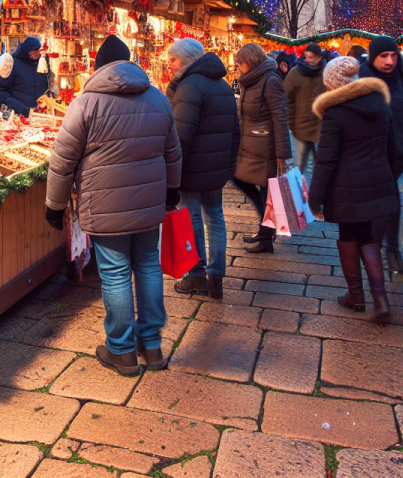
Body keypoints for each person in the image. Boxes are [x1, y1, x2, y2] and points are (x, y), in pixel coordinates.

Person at [45, 35, 182, 377]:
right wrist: (172, 190)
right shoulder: (157, 98)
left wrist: (54, 204)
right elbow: (173, 152)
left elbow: (62, 162)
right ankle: (151, 347)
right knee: (149, 266)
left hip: (104, 206)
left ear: (98, 67)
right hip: (150, 203)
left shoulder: (85, 103)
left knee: (116, 273)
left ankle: (120, 351)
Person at [309, 57, 397, 322]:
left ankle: (356, 296)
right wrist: (388, 180)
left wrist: (315, 199)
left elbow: (325, 160)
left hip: (346, 186)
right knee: (368, 235)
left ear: (333, 85)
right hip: (377, 180)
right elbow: (392, 147)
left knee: (348, 233)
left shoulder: (336, 112)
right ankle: (380, 299)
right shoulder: (380, 103)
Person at [165, 38, 239, 300]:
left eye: (172, 60)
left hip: (192, 168)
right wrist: (228, 167)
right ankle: (215, 278)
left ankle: (196, 275)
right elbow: (235, 132)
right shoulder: (222, 85)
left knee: (194, 219)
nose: (170, 65)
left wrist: (171, 172)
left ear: (185, 59)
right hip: (215, 169)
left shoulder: (188, 87)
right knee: (215, 219)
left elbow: (180, 136)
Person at [360, 35, 403, 275]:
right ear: (374, 57)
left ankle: (389, 248)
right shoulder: (362, 80)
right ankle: (376, 248)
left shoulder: (402, 82)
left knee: (391, 201)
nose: (390, 61)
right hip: (371, 155)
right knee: (382, 203)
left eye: (394, 55)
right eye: (384, 56)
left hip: (398, 155)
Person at [234, 43, 291, 254]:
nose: (238, 66)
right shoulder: (249, 81)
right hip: (249, 145)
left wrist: (282, 154)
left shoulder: (270, 80)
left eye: (240, 62)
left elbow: (280, 116)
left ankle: (266, 236)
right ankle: (265, 229)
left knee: (269, 193)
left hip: (266, 147)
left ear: (251, 60)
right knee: (240, 179)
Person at [283, 42, 326, 174]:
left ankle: (318, 192)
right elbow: (287, 98)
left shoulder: (326, 72)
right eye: (306, 56)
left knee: (323, 165)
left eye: (311, 57)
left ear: (319, 58)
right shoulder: (295, 73)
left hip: (321, 127)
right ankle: (299, 192)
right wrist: (291, 121)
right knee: (300, 167)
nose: (307, 60)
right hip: (301, 126)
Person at [0, 36, 49, 116]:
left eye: (38, 50)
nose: (37, 53)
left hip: (40, 116)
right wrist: (22, 109)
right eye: (34, 50)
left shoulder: (41, 65)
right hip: (17, 116)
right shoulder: (11, 63)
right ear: (27, 50)